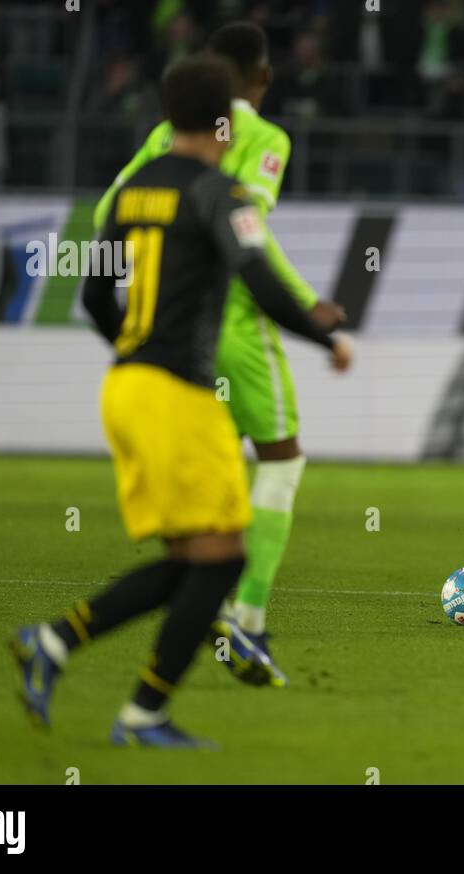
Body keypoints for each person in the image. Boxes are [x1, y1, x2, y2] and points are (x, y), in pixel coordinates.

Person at [10, 55, 349, 749]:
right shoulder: (218, 194)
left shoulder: (136, 189)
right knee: (222, 558)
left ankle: (60, 646)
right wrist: (325, 338)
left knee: (197, 559)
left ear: (168, 118)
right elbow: (258, 277)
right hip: (173, 392)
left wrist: (129, 348)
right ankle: (138, 710)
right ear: (224, 125)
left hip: (128, 386)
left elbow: (94, 293)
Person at [93, 23, 348, 687]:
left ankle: (187, 619)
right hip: (238, 318)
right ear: (261, 79)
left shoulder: (163, 133)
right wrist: (309, 307)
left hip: (170, 336)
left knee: (218, 470)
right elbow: (248, 238)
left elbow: (107, 215)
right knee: (283, 461)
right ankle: (248, 617)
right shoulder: (266, 136)